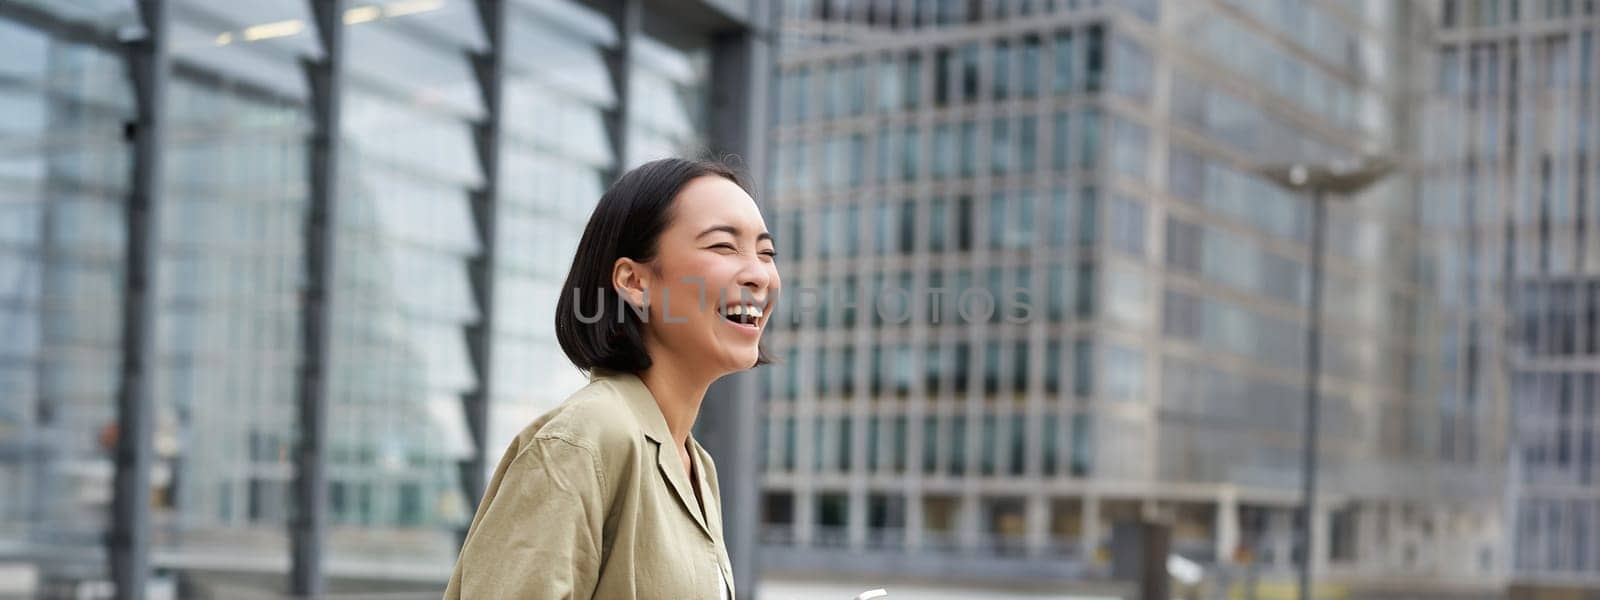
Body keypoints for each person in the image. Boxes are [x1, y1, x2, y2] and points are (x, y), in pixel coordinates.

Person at [445, 158, 780, 599]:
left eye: (766, 252)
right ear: (634, 282)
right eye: (722, 246)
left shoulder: (698, 466)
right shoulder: (584, 440)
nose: (759, 274)